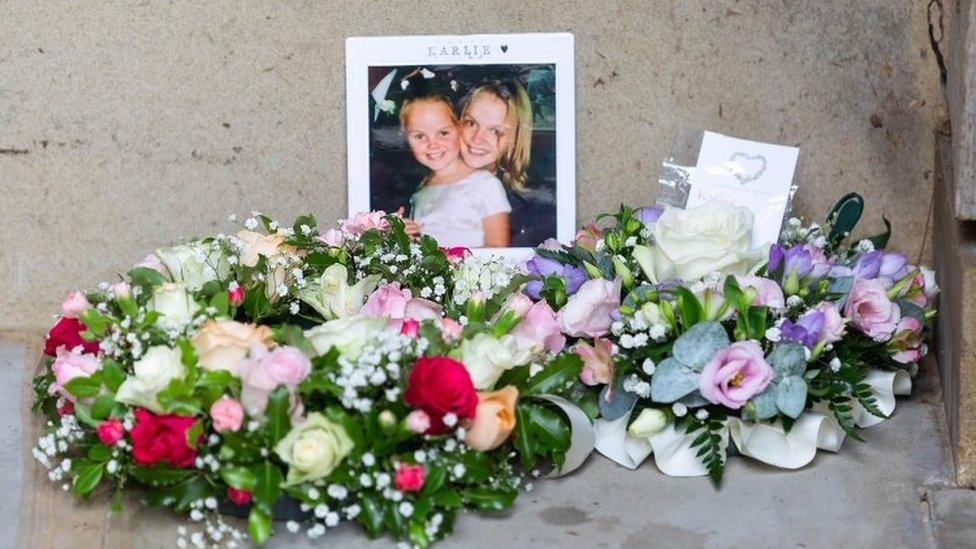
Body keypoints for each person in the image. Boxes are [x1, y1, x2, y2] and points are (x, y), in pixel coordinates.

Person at [397, 71, 513, 247]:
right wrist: (407, 238)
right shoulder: (420, 191)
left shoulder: (485, 185)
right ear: (406, 137)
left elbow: (499, 251)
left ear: (459, 127)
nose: (432, 144)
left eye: (443, 133)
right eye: (420, 136)